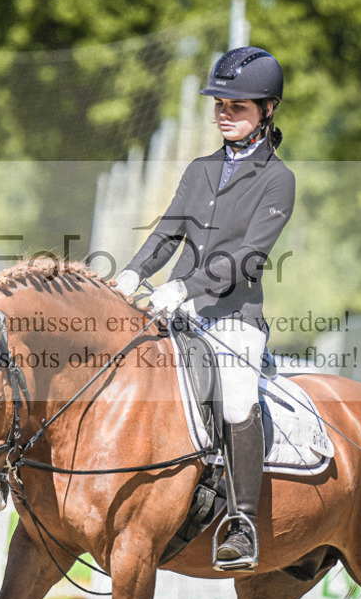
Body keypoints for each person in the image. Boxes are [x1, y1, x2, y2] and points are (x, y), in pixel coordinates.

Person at [114, 46, 294, 571]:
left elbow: (249, 257)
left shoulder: (278, 180)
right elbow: (167, 233)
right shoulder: (199, 170)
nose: (224, 114)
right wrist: (132, 274)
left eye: (237, 106)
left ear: (267, 109)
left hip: (234, 318)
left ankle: (242, 522)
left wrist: (184, 287)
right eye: (219, 104)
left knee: (237, 398)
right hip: (179, 311)